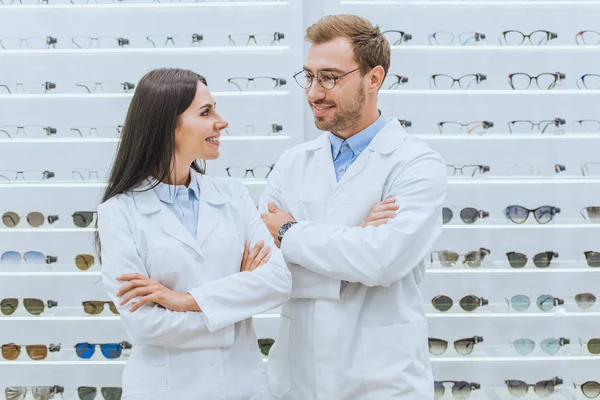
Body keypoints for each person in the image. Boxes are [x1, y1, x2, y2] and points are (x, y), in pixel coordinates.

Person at [259, 15, 447, 400]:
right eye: (308, 76)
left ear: (373, 79)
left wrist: (288, 233)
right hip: (297, 381)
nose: (314, 92)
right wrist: (355, 248)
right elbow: (262, 269)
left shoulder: (416, 164)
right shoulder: (292, 163)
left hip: (383, 382)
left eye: (330, 77)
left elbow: (382, 261)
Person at [96, 68, 292, 400]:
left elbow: (278, 281)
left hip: (242, 385)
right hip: (165, 389)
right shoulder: (119, 212)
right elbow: (143, 324)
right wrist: (234, 306)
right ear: (167, 125)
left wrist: (183, 301)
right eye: (206, 112)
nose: (221, 121)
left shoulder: (232, 195)